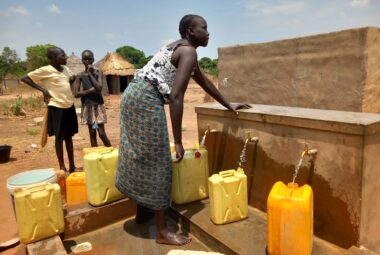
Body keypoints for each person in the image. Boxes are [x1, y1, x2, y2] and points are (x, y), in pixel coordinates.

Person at [115, 14, 250, 246]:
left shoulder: (181, 49)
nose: (208, 33)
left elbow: (204, 82)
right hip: (146, 100)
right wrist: (178, 140)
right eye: (204, 28)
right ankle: (162, 232)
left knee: (143, 155)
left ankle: (142, 212)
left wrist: (228, 104)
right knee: (159, 160)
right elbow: (177, 96)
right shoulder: (188, 51)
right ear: (190, 32)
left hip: (133, 95)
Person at [21, 47, 79, 173]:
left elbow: (72, 78)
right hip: (56, 107)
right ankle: (62, 167)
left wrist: (70, 88)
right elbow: (25, 78)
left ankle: (72, 166)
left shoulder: (66, 69)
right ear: (53, 58)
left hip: (69, 105)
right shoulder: (46, 70)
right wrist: (43, 90)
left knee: (69, 137)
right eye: (62, 55)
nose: (65, 57)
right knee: (59, 138)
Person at [73, 50, 111, 147]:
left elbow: (99, 88)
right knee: (92, 133)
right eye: (85, 59)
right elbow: (76, 94)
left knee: (101, 133)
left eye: (89, 59)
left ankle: (111, 152)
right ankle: (96, 157)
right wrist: (90, 91)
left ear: (93, 59)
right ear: (82, 60)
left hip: (98, 106)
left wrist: (90, 74)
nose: (87, 61)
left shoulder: (99, 72)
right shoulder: (80, 75)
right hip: (87, 106)